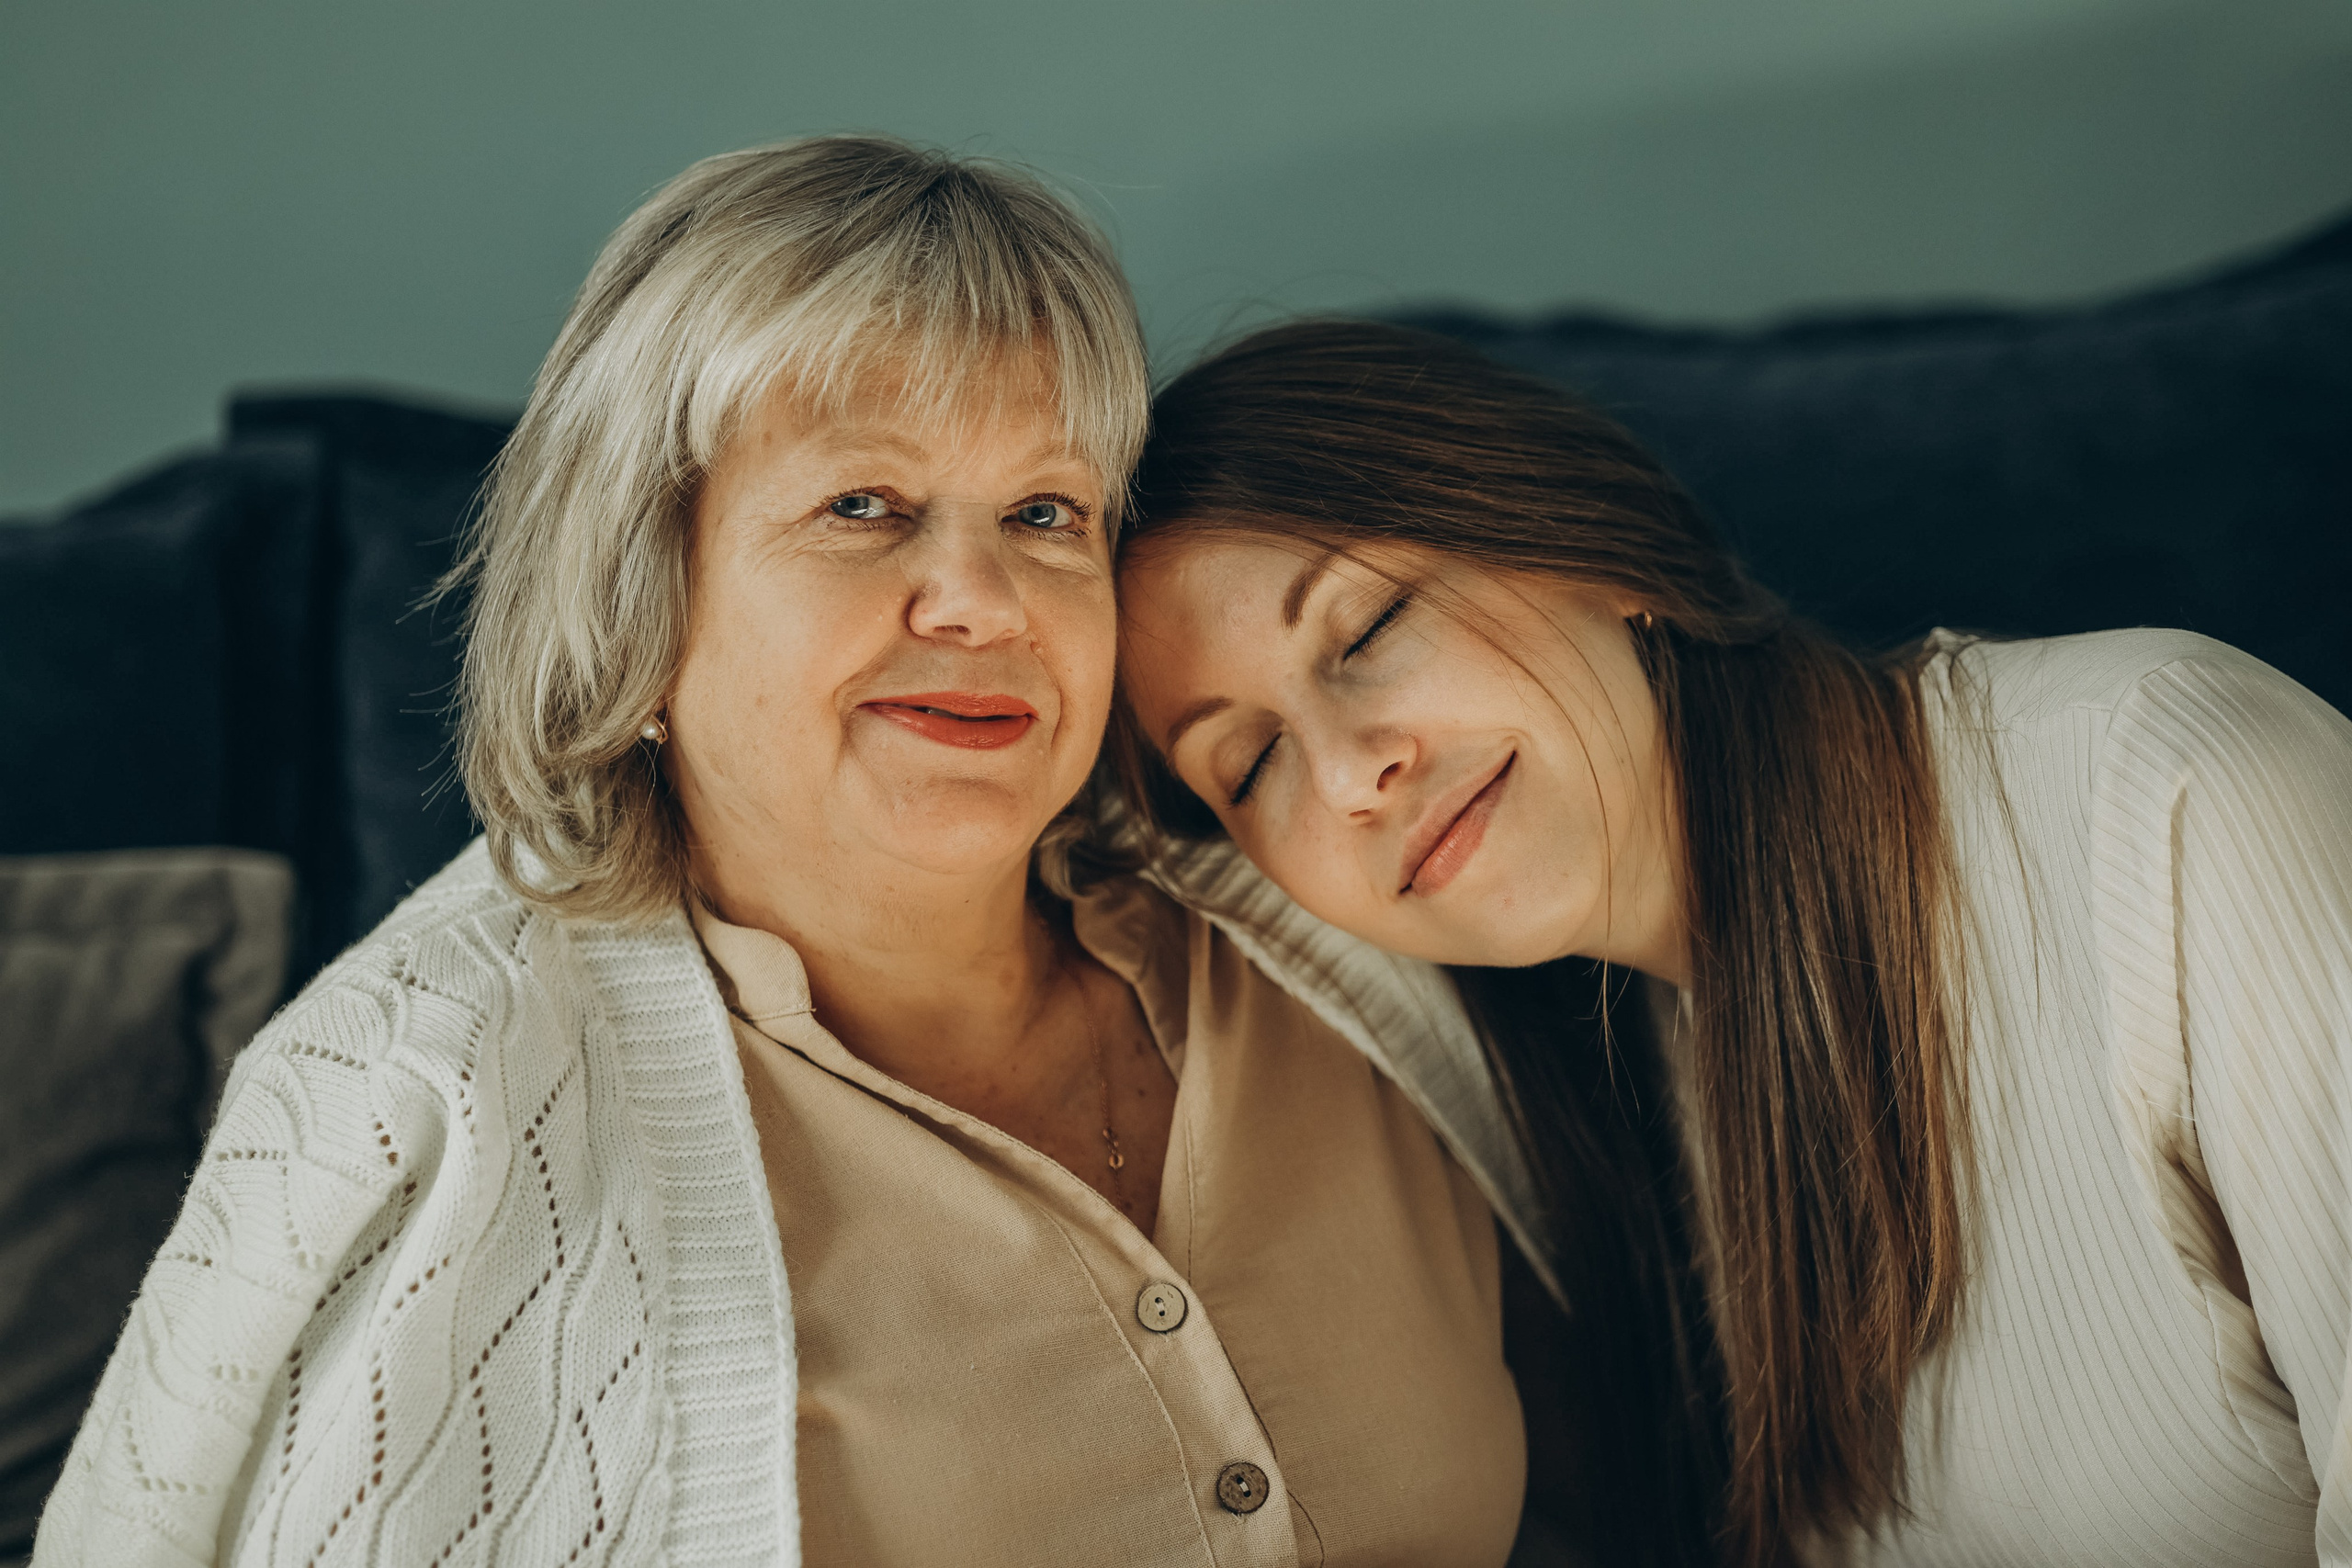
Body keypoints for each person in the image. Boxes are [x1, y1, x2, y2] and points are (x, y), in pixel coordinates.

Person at [34, 145, 1533, 1568]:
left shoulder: (1335, 922)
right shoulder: (420, 1094)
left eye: (1043, 511)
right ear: (641, 594)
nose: (981, 598)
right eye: (862, 507)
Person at [1113, 318, 2352, 1568]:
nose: (1348, 777)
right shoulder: (1627, 1093)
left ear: (1589, 542)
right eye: (1251, 762)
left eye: (1368, 629)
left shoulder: (2174, 795)